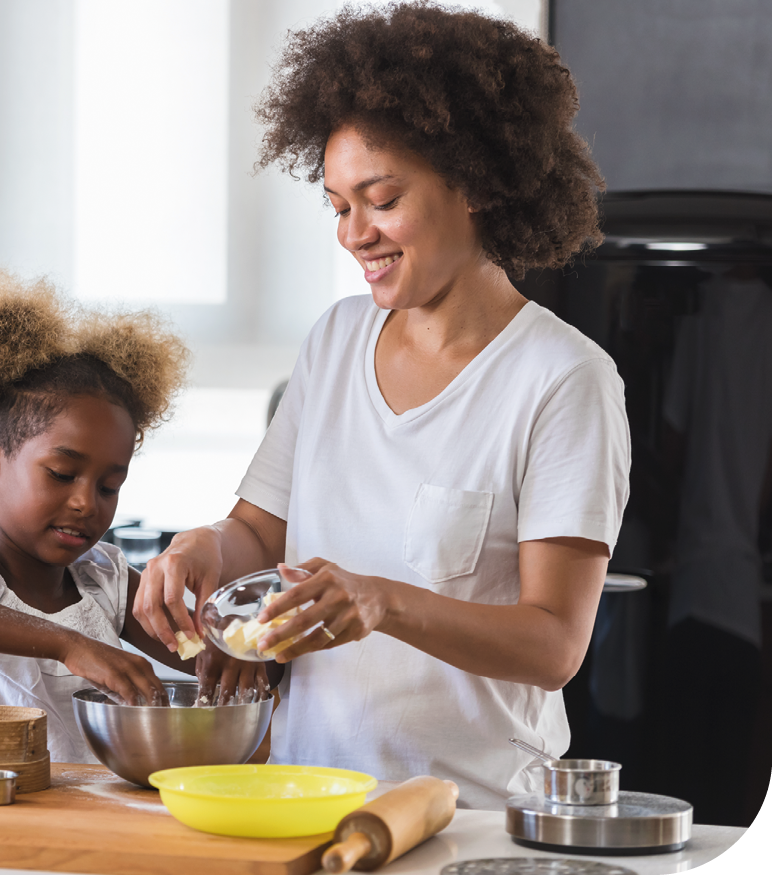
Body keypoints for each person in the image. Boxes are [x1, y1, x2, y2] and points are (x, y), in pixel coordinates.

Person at [134, 2, 631, 809]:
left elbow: (554, 644)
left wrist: (382, 602)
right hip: (305, 799)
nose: (354, 233)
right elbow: (260, 531)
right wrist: (203, 547)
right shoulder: (334, 341)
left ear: (473, 182)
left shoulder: (562, 380)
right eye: (338, 205)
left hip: (473, 818)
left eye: (382, 198)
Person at [0, 272, 229, 763]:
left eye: (108, 486)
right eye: (60, 474)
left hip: (73, 829)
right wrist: (67, 645)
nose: (85, 503)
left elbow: (211, 656)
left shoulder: (105, 581)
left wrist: (231, 644)